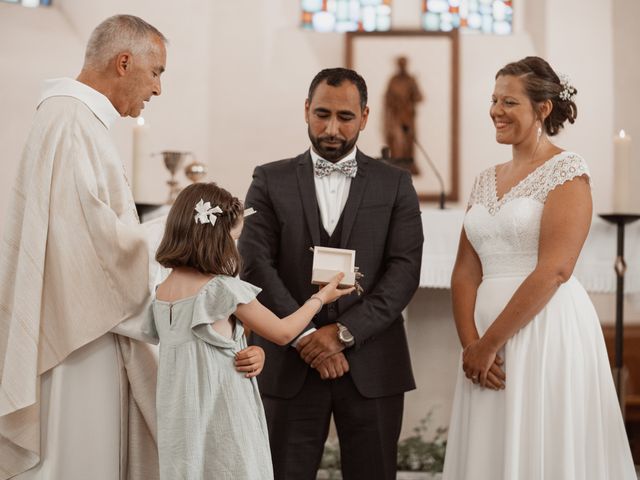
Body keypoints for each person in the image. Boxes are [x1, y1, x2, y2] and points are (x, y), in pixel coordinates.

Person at [443, 56, 636, 479]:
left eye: (509, 101)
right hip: (482, 342)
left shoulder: (567, 172)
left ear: (542, 109)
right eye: (493, 100)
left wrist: (490, 342)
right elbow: (464, 271)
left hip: (544, 329)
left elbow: (556, 269)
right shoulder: (484, 179)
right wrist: (470, 344)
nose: (496, 110)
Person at [0, 15, 168, 480]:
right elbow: (93, 248)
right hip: (80, 337)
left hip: (80, 323)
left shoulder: (72, 118)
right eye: (156, 73)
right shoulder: (73, 122)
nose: (157, 90)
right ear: (124, 62)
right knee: (79, 454)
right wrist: (175, 234)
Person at [238, 67, 424, 480]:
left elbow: (404, 270)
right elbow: (254, 264)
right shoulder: (269, 179)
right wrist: (303, 337)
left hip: (372, 363)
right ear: (306, 110)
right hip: (288, 364)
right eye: (322, 114)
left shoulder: (395, 184)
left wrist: (342, 334)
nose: (332, 128)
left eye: (345, 117)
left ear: (365, 116)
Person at [140, 182, 353, 479]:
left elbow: (213, 343)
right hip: (222, 409)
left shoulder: (163, 291)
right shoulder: (222, 289)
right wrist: (320, 298)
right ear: (216, 238)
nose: (234, 246)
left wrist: (251, 351)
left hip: (181, 413)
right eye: (233, 238)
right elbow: (282, 332)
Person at [384, 56, 424, 174]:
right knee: (397, 142)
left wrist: (413, 92)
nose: (402, 66)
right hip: (396, 117)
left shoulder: (411, 80)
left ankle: (409, 164)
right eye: (400, 64)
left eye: (403, 64)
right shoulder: (393, 80)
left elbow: (419, 97)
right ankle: (397, 166)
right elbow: (387, 98)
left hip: (408, 116)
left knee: (409, 142)